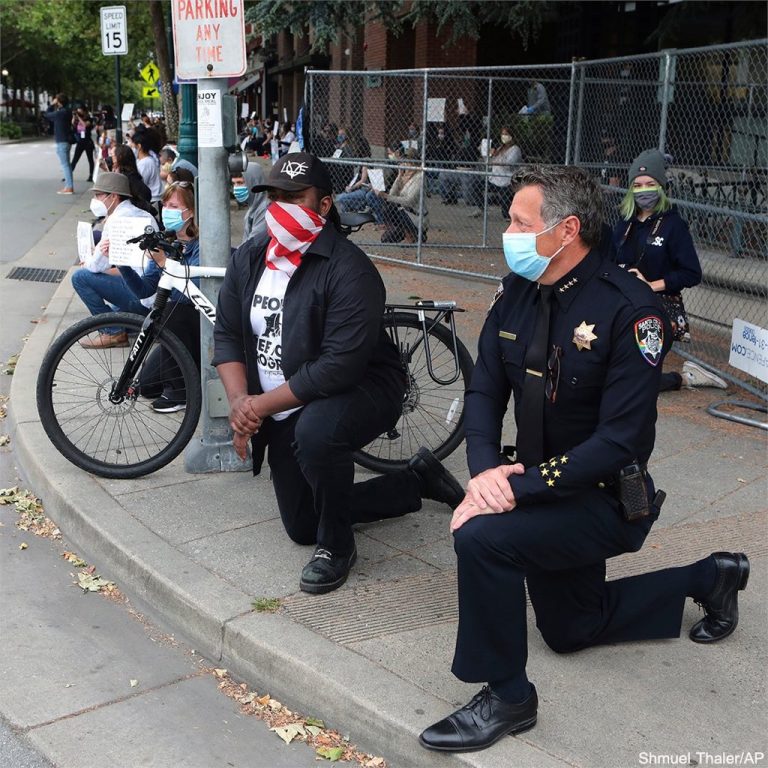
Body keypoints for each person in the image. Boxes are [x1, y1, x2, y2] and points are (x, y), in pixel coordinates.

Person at [418, 165, 749, 753]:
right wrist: (485, 470)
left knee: (483, 539)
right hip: (539, 488)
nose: (509, 232)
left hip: (602, 499)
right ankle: (711, 577)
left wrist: (512, 493)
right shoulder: (520, 290)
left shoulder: (630, 312)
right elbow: (485, 390)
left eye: (520, 221)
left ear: (566, 229)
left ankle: (508, 696)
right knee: (571, 630)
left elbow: (618, 442)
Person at [212, 152, 464, 595]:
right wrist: (239, 405)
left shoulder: (350, 270)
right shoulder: (250, 257)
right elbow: (229, 334)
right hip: (282, 403)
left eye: (295, 197)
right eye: (273, 197)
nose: (281, 206)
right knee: (301, 523)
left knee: (316, 433)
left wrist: (258, 406)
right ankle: (414, 481)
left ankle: (337, 547)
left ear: (324, 205)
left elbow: (335, 368)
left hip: (364, 387)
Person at [611, 149, 726, 391]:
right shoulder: (624, 224)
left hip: (659, 307)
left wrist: (651, 285)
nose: (644, 189)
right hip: (621, 304)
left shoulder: (674, 226)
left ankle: (686, 378)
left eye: (650, 183)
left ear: (661, 186)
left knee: (635, 383)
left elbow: (691, 273)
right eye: (638, 184)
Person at [118, 180, 201, 412]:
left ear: (191, 212)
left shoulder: (202, 246)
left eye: (174, 206)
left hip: (200, 327)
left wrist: (165, 262)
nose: (167, 211)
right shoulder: (170, 242)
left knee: (172, 311)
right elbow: (144, 289)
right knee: (147, 386)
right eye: (165, 205)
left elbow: (190, 296)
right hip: (180, 329)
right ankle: (188, 377)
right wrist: (123, 264)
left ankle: (180, 393)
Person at [71, 172, 158, 348]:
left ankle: (113, 332)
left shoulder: (116, 220)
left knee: (80, 277)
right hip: (153, 295)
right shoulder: (144, 215)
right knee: (113, 306)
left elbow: (95, 266)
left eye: (99, 195)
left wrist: (88, 261)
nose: (96, 200)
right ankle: (127, 324)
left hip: (143, 296)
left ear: (114, 196)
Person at [367, 146, 428, 243]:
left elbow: (409, 201)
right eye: (404, 162)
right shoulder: (404, 175)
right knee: (386, 239)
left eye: (407, 162)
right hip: (405, 213)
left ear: (414, 163)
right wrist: (399, 176)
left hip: (415, 215)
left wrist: (386, 196)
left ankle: (411, 235)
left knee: (395, 210)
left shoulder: (419, 177)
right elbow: (392, 193)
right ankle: (404, 231)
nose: (405, 165)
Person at [43, 93, 74, 194]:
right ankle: (69, 186)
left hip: (61, 141)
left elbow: (47, 114)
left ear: (59, 101)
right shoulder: (68, 112)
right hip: (67, 141)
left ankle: (69, 187)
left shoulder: (60, 113)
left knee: (65, 165)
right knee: (67, 165)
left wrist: (52, 105)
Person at [233, 163, 268, 245]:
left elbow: (252, 246)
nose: (236, 187)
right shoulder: (254, 207)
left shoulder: (265, 209)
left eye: (240, 183)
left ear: (253, 182)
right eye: (234, 183)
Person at [133, 133, 163, 211]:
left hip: (152, 200)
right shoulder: (142, 161)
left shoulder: (145, 163)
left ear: (139, 146)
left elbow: (140, 184)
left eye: (132, 145)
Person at [70, 106, 95, 182]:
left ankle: (91, 175)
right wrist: (74, 117)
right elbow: (73, 124)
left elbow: (85, 124)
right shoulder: (77, 119)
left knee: (90, 159)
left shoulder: (89, 119)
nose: (79, 113)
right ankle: (68, 175)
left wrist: (79, 117)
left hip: (88, 142)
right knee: (75, 159)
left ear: (84, 111)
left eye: (80, 111)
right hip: (80, 142)